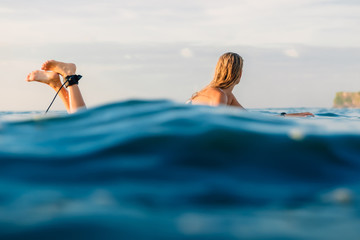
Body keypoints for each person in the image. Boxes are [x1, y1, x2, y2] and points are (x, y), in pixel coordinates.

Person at [187, 52, 314, 117]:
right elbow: (214, 128)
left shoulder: (226, 96)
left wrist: (293, 115)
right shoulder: (219, 95)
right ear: (239, 73)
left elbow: (251, 118)